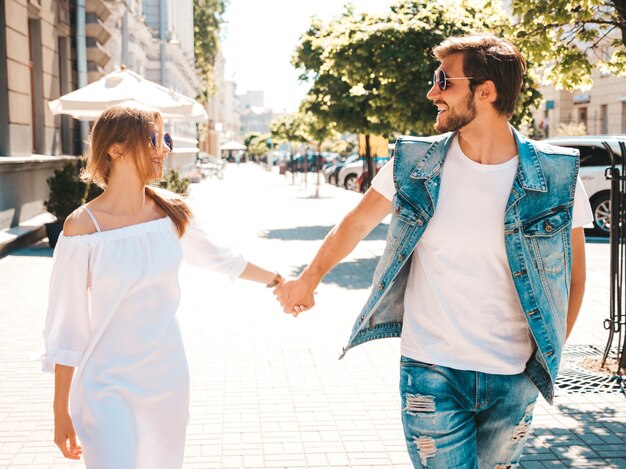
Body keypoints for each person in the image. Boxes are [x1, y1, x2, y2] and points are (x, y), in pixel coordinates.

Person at [275, 34, 593, 468]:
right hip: (431, 370)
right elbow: (354, 224)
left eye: (444, 81)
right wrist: (307, 280)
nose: (432, 92)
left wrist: (549, 354)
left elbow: (574, 277)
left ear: (486, 91)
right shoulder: (414, 164)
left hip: (515, 376)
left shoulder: (557, 176)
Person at [42, 106, 283, 468]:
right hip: (106, 386)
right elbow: (67, 325)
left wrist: (281, 282)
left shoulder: (171, 213)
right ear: (115, 150)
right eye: (153, 139)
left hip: (167, 380)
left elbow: (224, 260)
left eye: (165, 139)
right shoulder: (82, 228)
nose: (165, 149)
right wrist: (60, 410)